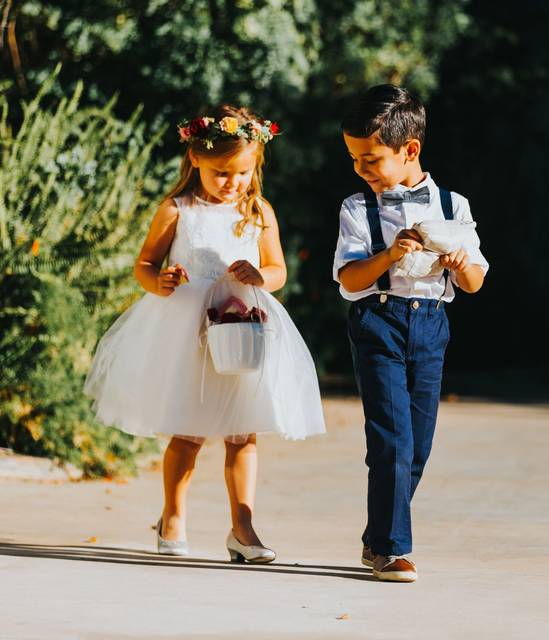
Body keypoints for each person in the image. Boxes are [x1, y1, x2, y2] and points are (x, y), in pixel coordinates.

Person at [85, 105, 325, 562]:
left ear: (255, 165)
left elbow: (278, 270)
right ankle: (173, 514)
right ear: (195, 159)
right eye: (221, 172)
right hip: (187, 331)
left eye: (241, 172)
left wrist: (261, 275)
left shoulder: (258, 210)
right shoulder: (177, 210)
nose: (232, 182)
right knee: (188, 432)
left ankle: (243, 526)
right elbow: (145, 265)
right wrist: (159, 281)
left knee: (244, 432)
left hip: (241, 328)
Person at [333, 84, 489, 582]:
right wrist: (389, 255)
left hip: (429, 324)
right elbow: (348, 280)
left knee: (418, 444)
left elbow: (475, 282)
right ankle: (392, 548)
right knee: (391, 440)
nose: (361, 169)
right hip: (377, 320)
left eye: (370, 159)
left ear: (410, 150)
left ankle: (377, 532)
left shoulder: (453, 205)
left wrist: (461, 265)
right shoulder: (358, 208)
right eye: (355, 158)